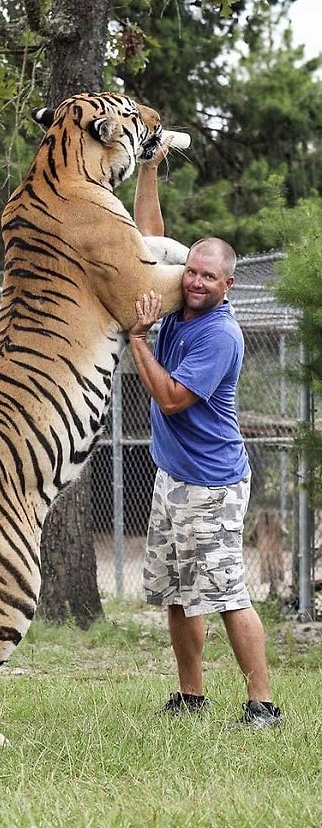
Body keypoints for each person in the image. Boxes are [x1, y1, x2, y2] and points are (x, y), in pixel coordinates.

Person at [128, 142, 282, 729]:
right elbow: (149, 239)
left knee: (224, 595)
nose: (194, 281)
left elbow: (169, 399)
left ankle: (262, 705)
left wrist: (136, 336)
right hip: (173, 479)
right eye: (191, 271)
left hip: (212, 486)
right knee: (175, 591)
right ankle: (191, 695)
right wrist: (148, 166)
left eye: (208, 276)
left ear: (229, 284)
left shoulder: (219, 335)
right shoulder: (178, 301)